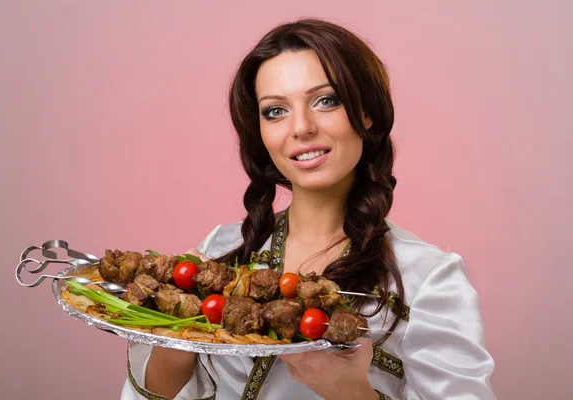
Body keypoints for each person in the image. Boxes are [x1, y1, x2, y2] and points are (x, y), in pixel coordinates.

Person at [120, 18, 495, 400]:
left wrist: (349, 392)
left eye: (325, 101)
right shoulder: (220, 252)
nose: (300, 127)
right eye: (275, 111)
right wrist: (173, 339)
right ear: (261, 132)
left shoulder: (427, 279)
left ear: (366, 113)